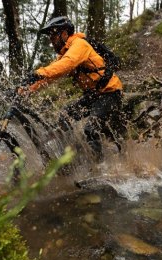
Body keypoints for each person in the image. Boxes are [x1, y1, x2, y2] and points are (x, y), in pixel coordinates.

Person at [18, 16, 124, 158]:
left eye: (54, 35)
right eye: (50, 37)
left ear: (65, 33)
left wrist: (37, 73)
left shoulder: (79, 44)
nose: (51, 40)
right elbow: (51, 75)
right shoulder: (64, 53)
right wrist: (28, 89)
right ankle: (68, 158)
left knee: (90, 129)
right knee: (65, 116)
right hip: (93, 95)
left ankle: (100, 167)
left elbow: (67, 64)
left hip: (110, 93)